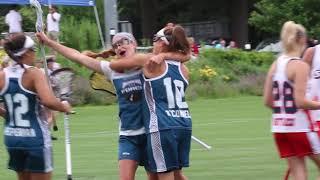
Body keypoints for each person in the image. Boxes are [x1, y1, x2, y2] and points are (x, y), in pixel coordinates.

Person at [36, 30, 188, 180]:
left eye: (124, 42)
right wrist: (49, 42)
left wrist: (163, 54)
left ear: (134, 44)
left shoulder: (149, 64)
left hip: (151, 133)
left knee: (168, 176)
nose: (119, 46)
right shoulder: (112, 70)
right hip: (128, 136)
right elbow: (77, 56)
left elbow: (183, 55)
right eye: (116, 45)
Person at [109, 25, 191, 180]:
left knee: (165, 176)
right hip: (184, 123)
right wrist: (165, 55)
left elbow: (113, 65)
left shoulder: (150, 62)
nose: (152, 43)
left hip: (162, 126)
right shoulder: (184, 69)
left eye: (155, 39)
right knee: (178, 175)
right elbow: (187, 54)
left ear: (162, 42)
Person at [1, 33, 71, 180]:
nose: (35, 52)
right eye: (33, 49)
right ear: (25, 52)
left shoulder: (3, 75)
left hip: (12, 138)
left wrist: (8, 115)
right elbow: (49, 101)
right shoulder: (34, 73)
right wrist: (64, 106)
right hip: (35, 139)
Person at [263, 21, 320, 180]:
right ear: (302, 39)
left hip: (280, 128)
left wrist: (283, 114)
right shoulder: (300, 65)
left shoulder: (276, 64)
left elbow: (267, 101)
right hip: (300, 128)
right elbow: (300, 101)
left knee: (298, 172)